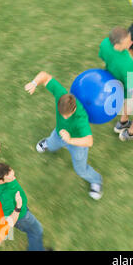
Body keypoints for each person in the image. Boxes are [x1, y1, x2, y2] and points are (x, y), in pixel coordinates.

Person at [24, 72, 103, 200]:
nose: (64, 117)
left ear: (74, 109)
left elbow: (89, 141)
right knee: (51, 143)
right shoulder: (62, 95)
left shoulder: (81, 117)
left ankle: (96, 181)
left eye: (67, 115)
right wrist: (34, 83)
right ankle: (47, 143)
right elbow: (45, 76)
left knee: (80, 170)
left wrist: (70, 140)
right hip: (58, 134)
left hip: (77, 144)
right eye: (62, 114)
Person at [0, 140, 48, 251]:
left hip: (21, 210)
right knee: (36, 231)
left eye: (12, 173)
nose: (13, 178)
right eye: (9, 178)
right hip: (22, 216)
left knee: (35, 232)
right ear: (0, 181)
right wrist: (18, 206)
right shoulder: (7, 195)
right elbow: (10, 221)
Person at [99, 27, 133, 141]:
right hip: (128, 87)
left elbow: (102, 57)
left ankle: (123, 123)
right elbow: (132, 91)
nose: (131, 42)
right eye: (127, 42)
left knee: (127, 101)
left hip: (115, 83)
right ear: (116, 45)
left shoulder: (104, 43)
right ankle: (130, 133)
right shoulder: (128, 62)